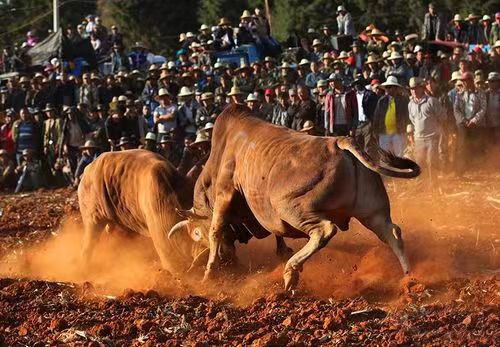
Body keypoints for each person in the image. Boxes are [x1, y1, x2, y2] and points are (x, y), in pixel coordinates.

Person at [407, 77, 443, 180]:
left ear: (422, 88)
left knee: (432, 162)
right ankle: (421, 187)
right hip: (419, 138)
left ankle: (433, 186)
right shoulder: (410, 105)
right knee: (420, 164)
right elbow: (413, 120)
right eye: (411, 89)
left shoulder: (431, 101)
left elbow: (441, 117)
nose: (413, 91)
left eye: (416, 88)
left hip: (432, 137)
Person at [453, 72, 487, 175]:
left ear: (471, 80)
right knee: (462, 146)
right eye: (463, 81)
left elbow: (483, 108)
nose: (464, 83)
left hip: (477, 124)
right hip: (463, 124)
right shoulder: (459, 94)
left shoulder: (480, 93)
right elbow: (456, 110)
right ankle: (461, 170)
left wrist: (474, 120)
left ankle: (476, 169)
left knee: (476, 146)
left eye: (466, 80)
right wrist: (464, 120)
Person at [373, 76, 409, 156]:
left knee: (399, 156)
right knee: (385, 157)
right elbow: (377, 116)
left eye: (389, 87)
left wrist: (406, 130)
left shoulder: (403, 100)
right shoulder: (382, 101)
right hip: (384, 133)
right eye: (386, 87)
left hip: (399, 133)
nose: (387, 89)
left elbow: (407, 116)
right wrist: (375, 131)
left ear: (396, 88)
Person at [351, 74, 378, 158]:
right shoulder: (353, 96)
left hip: (368, 123)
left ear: (363, 83)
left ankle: (371, 167)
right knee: (358, 148)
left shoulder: (370, 95)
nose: (357, 85)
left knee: (368, 148)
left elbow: (375, 111)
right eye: (356, 83)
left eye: (359, 83)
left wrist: (372, 123)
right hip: (357, 125)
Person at [486, 72, 500, 143]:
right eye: (490, 81)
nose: (491, 83)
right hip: (487, 127)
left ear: (498, 82)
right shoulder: (485, 94)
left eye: (493, 81)